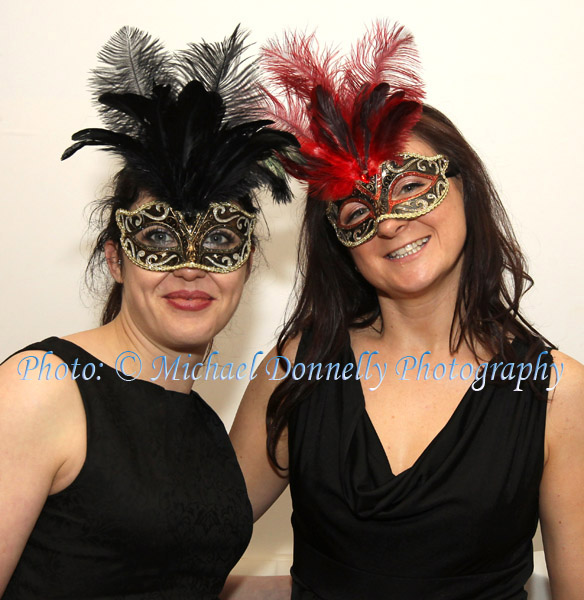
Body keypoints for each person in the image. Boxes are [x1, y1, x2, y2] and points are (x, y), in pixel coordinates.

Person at [230, 22, 584, 599]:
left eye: (411, 187)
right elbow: (184, 542)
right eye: (356, 212)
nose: (390, 223)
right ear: (340, 242)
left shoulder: (559, 394)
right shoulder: (298, 370)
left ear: (464, 187)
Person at [0, 26, 297, 598]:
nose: (191, 268)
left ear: (247, 263)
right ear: (115, 258)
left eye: (218, 243)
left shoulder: (205, 427)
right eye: (158, 238)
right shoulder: (43, 388)